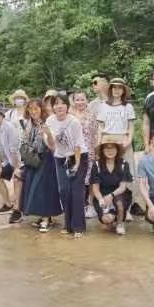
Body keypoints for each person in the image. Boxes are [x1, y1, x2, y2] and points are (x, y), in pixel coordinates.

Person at [95, 78, 138, 215]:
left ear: (124, 90)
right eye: (114, 87)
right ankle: (104, 205)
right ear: (110, 89)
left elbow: (131, 126)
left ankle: (128, 208)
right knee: (105, 171)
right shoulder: (103, 106)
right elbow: (100, 126)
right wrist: (99, 142)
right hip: (107, 139)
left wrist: (129, 140)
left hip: (123, 139)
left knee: (128, 172)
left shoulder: (128, 107)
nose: (117, 90)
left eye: (120, 88)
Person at [47, 94, 87, 239]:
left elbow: (78, 144)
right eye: (56, 104)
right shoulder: (50, 121)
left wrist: (76, 164)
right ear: (53, 107)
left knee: (76, 192)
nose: (60, 106)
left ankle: (79, 227)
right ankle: (68, 225)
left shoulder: (74, 121)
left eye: (63, 103)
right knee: (64, 191)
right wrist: (46, 134)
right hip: (60, 158)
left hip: (78, 156)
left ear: (67, 106)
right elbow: (51, 145)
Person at [21, 99, 61, 232]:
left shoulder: (47, 122)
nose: (33, 111)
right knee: (34, 189)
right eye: (30, 109)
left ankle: (46, 219)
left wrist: (47, 133)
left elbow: (52, 143)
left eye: (36, 108)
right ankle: (43, 217)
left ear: (41, 109)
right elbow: (25, 141)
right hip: (33, 160)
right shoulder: (28, 123)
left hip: (46, 159)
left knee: (44, 189)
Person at [0, 103, 24, 223]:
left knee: (17, 179)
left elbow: (15, 150)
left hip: (19, 160)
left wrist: (16, 169)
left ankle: (17, 210)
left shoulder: (10, 127)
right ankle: (8, 204)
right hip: (8, 160)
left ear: (2, 116)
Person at [90, 138, 133, 235]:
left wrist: (111, 196)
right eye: (106, 148)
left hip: (119, 194)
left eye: (113, 148)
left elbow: (123, 187)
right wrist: (101, 200)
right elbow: (95, 189)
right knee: (106, 219)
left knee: (119, 203)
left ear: (117, 150)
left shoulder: (123, 164)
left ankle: (120, 223)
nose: (110, 151)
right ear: (102, 150)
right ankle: (111, 219)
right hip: (102, 195)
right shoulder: (96, 165)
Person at [70, 90, 98, 219]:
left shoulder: (92, 114)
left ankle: (91, 205)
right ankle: (78, 205)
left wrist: (97, 149)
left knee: (90, 179)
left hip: (90, 150)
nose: (80, 102)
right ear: (73, 101)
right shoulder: (69, 114)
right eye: (77, 99)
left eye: (82, 99)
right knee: (77, 179)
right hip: (73, 152)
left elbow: (96, 133)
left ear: (87, 100)